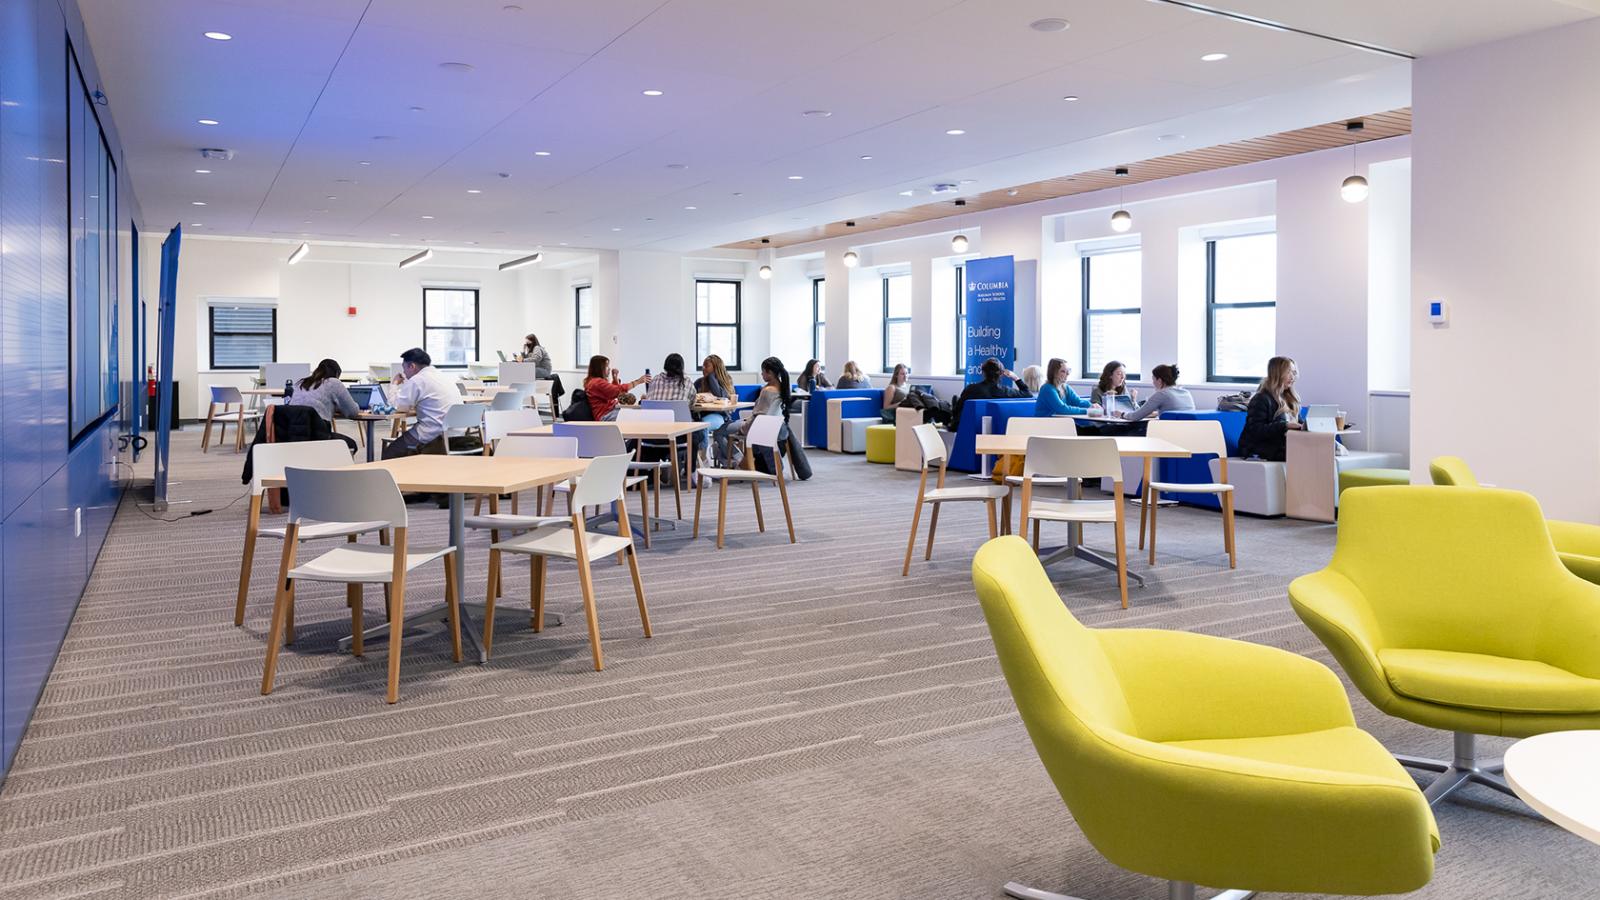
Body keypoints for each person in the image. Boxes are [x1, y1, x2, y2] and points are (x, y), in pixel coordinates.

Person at [384, 347, 465, 459]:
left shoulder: (418, 380)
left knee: (391, 452)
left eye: (404, 369)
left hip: (434, 435)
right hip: (457, 434)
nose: (404, 374)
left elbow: (396, 406)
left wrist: (394, 384)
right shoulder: (443, 376)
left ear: (412, 366)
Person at [283, 358, 360, 454]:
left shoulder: (300, 382)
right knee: (351, 444)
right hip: (317, 435)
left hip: (292, 435)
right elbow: (352, 412)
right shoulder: (333, 382)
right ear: (336, 374)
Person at [1238, 355, 1303, 461]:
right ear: (1277, 374)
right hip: (1257, 448)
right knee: (1301, 454)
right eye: (1289, 372)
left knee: (1314, 450)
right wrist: (1284, 426)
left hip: (1279, 446)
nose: (1293, 377)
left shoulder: (1290, 399)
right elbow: (1256, 430)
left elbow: (1299, 423)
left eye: (1294, 372)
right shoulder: (1261, 398)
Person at [733, 357, 791, 471]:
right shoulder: (783, 387)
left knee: (722, 430)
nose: (761, 374)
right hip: (778, 428)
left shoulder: (768, 391)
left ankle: (738, 461)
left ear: (770, 373)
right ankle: (746, 462)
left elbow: (758, 417)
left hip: (759, 428)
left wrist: (743, 429)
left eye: (763, 371)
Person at [951, 358, 1030, 432]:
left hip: (969, 430)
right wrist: (1015, 378)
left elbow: (957, 411)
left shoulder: (971, 389)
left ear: (983, 372)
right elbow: (1028, 394)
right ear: (1001, 374)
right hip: (997, 430)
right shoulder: (1006, 392)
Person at [694, 354, 736, 466]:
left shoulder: (726, 381)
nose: (703, 368)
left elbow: (720, 395)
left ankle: (702, 462)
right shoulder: (699, 382)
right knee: (692, 427)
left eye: (706, 366)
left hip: (720, 415)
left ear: (716, 367)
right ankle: (692, 460)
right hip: (700, 415)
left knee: (702, 426)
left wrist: (712, 377)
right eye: (702, 366)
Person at [583, 354, 648, 421]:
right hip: (606, 415)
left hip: (610, 412)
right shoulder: (596, 382)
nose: (609, 368)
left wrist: (615, 379)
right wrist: (637, 382)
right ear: (600, 368)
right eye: (606, 366)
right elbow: (617, 391)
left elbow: (610, 392)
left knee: (636, 415)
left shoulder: (594, 381)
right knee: (637, 417)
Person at [1124, 363, 1194, 423]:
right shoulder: (1186, 392)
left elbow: (1136, 416)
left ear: (1159, 380)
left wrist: (1122, 414)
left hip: (1170, 432)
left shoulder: (1162, 394)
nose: (1153, 383)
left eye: (1153, 379)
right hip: (1187, 432)